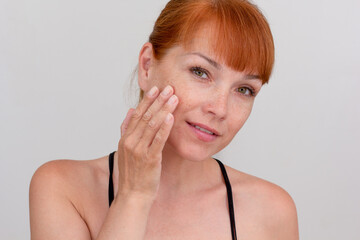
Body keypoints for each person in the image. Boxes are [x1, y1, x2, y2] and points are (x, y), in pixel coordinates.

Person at [29, 0, 299, 239]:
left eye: (244, 90)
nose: (220, 109)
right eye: (200, 72)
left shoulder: (273, 212)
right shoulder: (63, 190)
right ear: (147, 66)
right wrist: (133, 197)